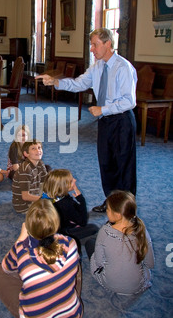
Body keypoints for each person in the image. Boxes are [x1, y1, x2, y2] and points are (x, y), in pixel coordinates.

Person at [37, 28, 137, 212]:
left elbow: (129, 101)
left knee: (124, 166)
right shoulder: (97, 66)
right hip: (105, 121)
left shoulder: (123, 67)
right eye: (91, 44)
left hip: (122, 121)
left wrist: (103, 109)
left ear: (108, 44)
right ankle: (111, 202)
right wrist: (56, 82)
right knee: (106, 164)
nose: (92, 49)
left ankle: (126, 209)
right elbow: (79, 83)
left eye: (95, 44)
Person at [0, 198, 83, 318]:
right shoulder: (71, 243)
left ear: (28, 225)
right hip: (73, 316)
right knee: (74, 263)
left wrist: (21, 238)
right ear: (56, 223)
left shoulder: (21, 250)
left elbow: (6, 268)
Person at [85, 190, 154, 295]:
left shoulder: (104, 232)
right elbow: (150, 264)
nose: (106, 212)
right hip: (138, 286)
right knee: (146, 271)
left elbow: (99, 262)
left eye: (107, 210)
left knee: (90, 243)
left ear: (117, 215)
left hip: (109, 283)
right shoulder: (142, 231)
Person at [42, 169, 99, 246]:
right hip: (60, 234)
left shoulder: (46, 197)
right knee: (93, 227)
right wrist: (81, 200)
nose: (75, 180)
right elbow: (82, 222)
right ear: (64, 186)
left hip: (45, 232)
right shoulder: (65, 203)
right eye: (72, 181)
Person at [12, 139, 48, 214]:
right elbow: (25, 196)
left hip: (35, 194)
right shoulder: (25, 170)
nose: (38, 151)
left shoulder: (40, 163)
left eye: (39, 148)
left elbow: (46, 181)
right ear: (26, 154)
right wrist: (44, 199)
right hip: (24, 206)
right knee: (52, 212)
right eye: (33, 149)